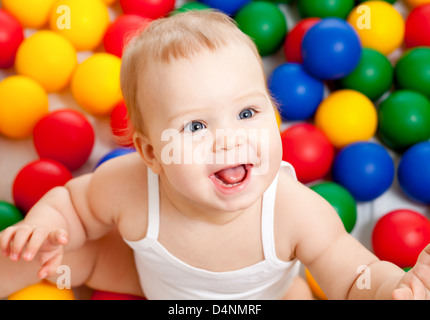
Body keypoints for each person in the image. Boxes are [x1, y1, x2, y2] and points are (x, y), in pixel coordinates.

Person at [1, 10, 429, 300]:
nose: (229, 140)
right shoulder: (130, 186)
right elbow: (74, 204)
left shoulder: (294, 211)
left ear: (275, 116)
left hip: (265, 300)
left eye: (247, 112)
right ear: (152, 154)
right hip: (157, 284)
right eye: (196, 126)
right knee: (57, 255)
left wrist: (393, 288)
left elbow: (354, 276)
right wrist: (45, 225)